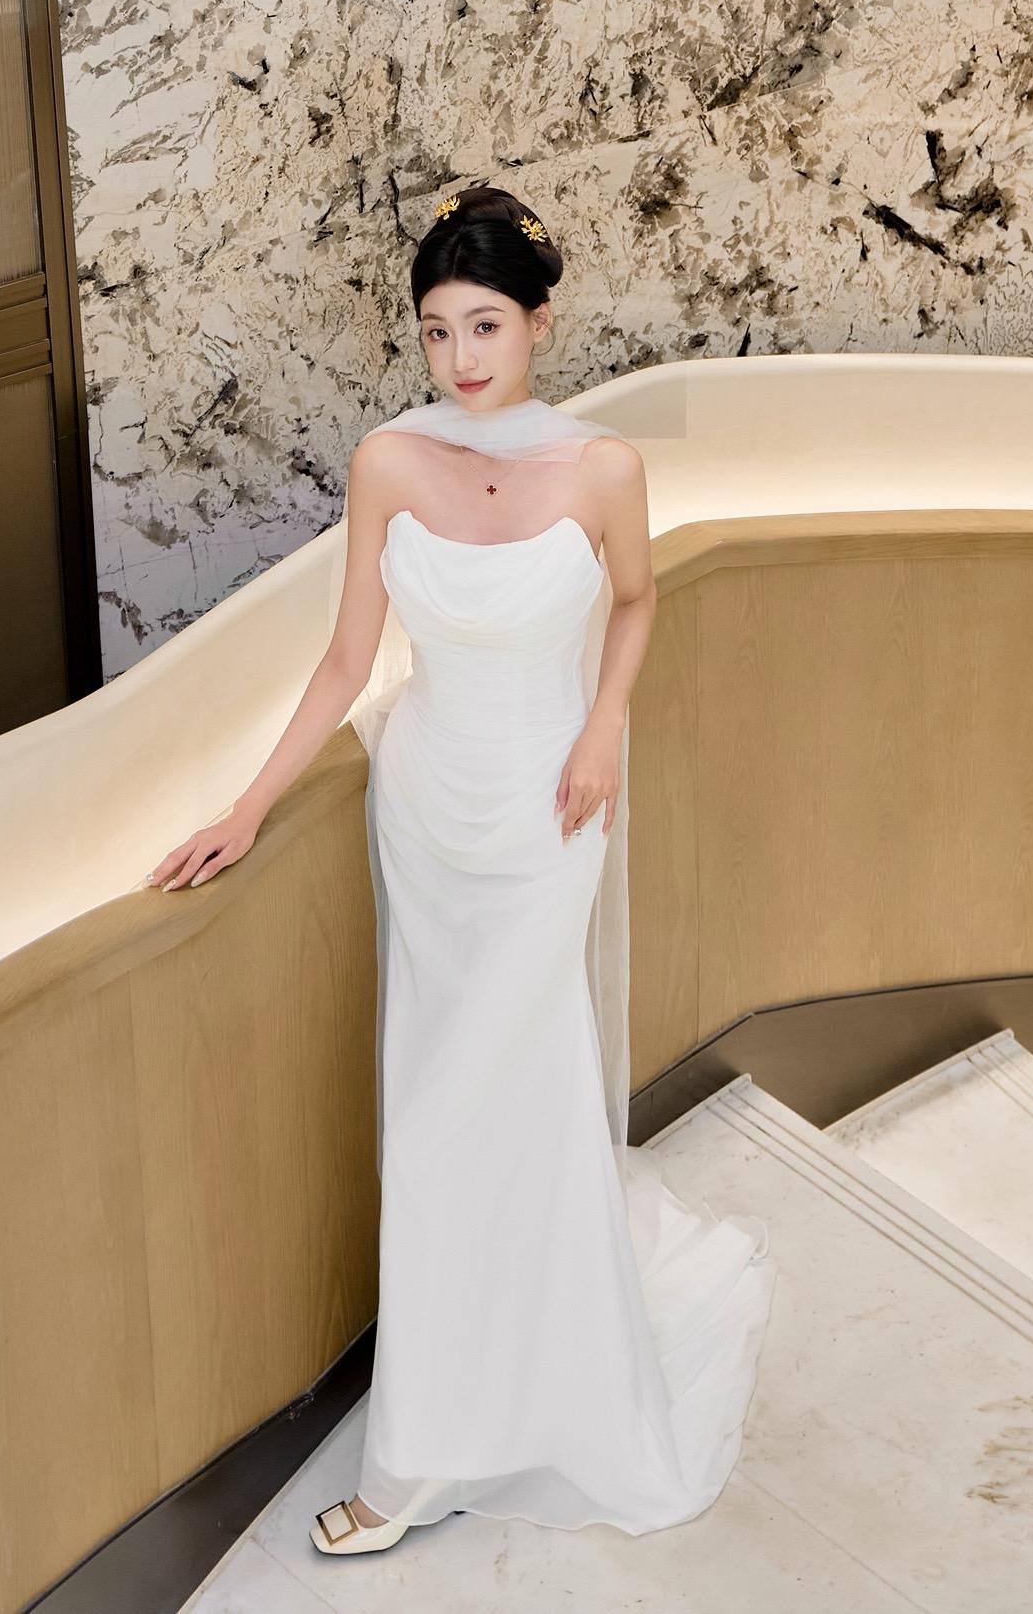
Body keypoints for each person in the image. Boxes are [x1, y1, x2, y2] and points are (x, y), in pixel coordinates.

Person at [148, 181, 773, 1556]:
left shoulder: (604, 471)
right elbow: (347, 660)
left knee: (503, 1102)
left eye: (485, 324)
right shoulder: (388, 461)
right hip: (429, 816)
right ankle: (436, 1436)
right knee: (439, 1117)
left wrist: (604, 724)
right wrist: (249, 806)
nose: (460, 357)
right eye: (436, 330)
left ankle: (499, 1417)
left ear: (539, 320)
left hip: (549, 817)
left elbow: (636, 600)